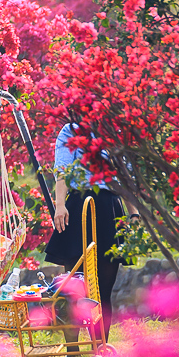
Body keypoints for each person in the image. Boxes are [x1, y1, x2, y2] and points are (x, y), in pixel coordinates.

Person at [45, 121, 122, 340]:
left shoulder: (114, 124)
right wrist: (60, 206)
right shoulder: (71, 129)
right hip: (80, 205)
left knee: (104, 288)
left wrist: (133, 214)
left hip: (110, 207)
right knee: (75, 286)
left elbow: (127, 177)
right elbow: (62, 170)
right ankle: (72, 350)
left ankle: (101, 345)